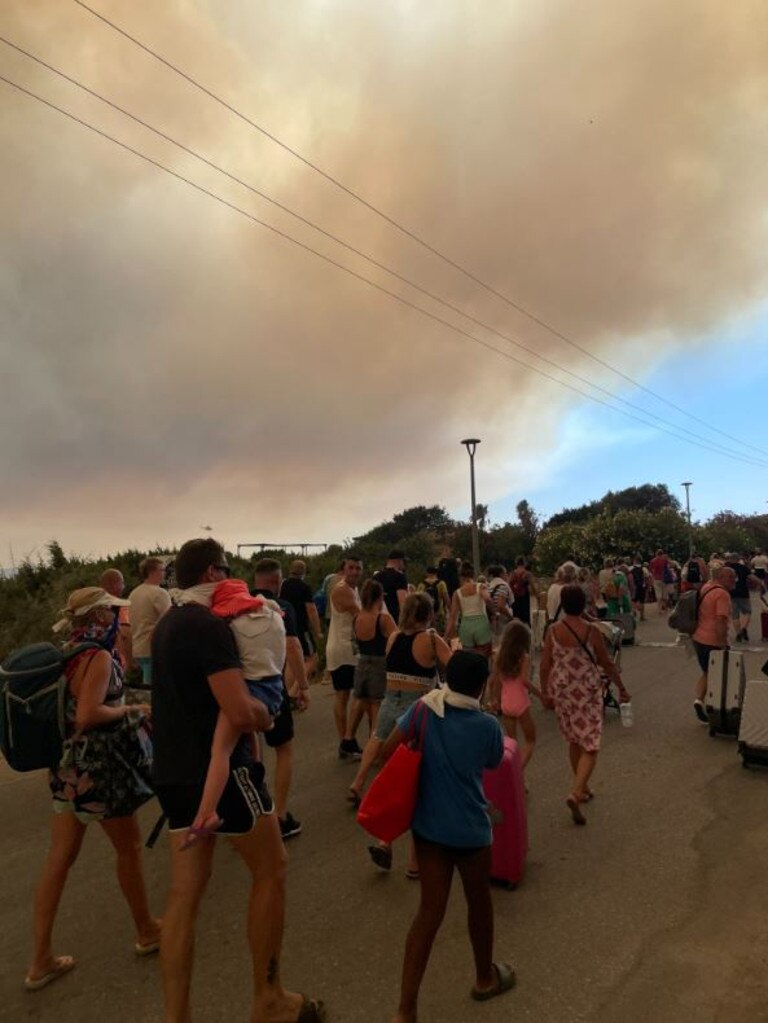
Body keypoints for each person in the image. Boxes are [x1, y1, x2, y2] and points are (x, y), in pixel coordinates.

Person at [151, 538, 324, 1023]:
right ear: (210, 572)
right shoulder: (206, 628)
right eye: (226, 570)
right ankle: (268, 997)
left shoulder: (169, 623)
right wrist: (267, 715)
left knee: (184, 896)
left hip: (174, 772)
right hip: (224, 775)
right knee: (272, 869)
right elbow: (237, 708)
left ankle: (176, 1015)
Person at [27, 587, 158, 991]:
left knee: (59, 858)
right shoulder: (97, 656)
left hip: (67, 766)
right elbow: (89, 713)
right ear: (99, 616)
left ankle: (40, 960)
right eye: (112, 614)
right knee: (129, 848)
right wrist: (133, 709)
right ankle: (146, 930)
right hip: (98, 769)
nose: (118, 620)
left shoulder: (67, 651)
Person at [388, 651, 514, 1023]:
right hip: (471, 831)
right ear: (479, 685)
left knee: (429, 913)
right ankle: (484, 978)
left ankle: (405, 1009)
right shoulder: (487, 725)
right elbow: (493, 762)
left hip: (428, 829)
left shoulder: (425, 710)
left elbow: (390, 746)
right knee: (479, 905)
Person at [349, 593, 451, 873]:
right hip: (416, 711)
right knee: (419, 781)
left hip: (388, 704)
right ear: (429, 614)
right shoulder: (430, 639)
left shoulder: (393, 638)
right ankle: (415, 860)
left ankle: (385, 840)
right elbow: (455, 667)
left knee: (394, 775)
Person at [180, 578, 286, 849]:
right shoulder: (274, 614)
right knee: (249, 738)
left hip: (248, 689)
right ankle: (255, 776)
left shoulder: (230, 627)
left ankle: (207, 813)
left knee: (221, 750)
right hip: (274, 688)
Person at [540, 583, 625, 825]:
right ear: (584, 604)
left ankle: (583, 785)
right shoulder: (591, 631)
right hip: (587, 691)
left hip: (563, 691)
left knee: (574, 739)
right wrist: (621, 688)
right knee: (591, 743)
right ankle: (576, 792)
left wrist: (546, 692)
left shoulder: (553, 631)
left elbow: (545, 664)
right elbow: (607, 663)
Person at [252, 558, 310, 841]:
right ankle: (281, 815)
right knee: (284, 749)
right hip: (273, 688)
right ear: (277, 582)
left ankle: (248, 809)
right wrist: (304, 685)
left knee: (248, 749)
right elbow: (293, 646)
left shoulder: (235, 605)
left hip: (239, 691)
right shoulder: (282, 608)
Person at [327, 555, 365, 759]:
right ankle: (346, 741)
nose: (355, 572)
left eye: (358, 568)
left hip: (350, 648)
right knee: (345, 695)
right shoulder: (342, 590)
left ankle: (348, 740)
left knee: (356, 695)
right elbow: (361, 616)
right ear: (344, 569)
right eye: (351, 568)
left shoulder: (354, 589)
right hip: (342, 649)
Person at [488, 620, 539, 769]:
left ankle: (513, 776)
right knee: (530, 740)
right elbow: (524, 680)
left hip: (505, 704)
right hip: (520, 702)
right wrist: (540, 694)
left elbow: (493, 682)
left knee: (512, 744)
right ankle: (518, 771)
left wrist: (494, 699)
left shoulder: (499, 656)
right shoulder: (524, 657)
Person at [351, 579, 398, 738]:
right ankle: (376, 741)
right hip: (380, 663)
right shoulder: (383, 618)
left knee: (363, 701)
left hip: (362, 662)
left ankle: (349, 738)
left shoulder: (356, 618)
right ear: (380, 597)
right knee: (377, 704)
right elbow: (397, 639)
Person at [691, 565, 736, 724]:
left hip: (698, 637)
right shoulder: (722, 594)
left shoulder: (707, 587)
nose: (734, 581)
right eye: (731, 577)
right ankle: (714, 707)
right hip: (713, 640)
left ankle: (698, 701)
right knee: (717, 675)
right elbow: (721, 620)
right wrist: (723, 644)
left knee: (707, 672)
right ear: (721, 577)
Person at [128, 556, 171, 686]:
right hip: (154, 649)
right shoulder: (159, 593)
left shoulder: (134, 593)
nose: (165, 573)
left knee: (147, 688)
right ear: (153, 572)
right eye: (162, 570)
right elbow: (169, 620)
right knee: (155, 691)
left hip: (138, 648)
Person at [280, 559, 322, 686]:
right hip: (301, 628)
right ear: (304, 572)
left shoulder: (282, 585)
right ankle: (297, 687)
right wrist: (318, 631)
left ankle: (289, 691)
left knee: (290, 661)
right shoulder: (304, 587)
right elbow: (311, 610)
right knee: (312, 658)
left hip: (284, 627)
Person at [445, 562, 494, 657]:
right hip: (481, 625)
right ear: (473, 575)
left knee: (469, 657)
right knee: (484, 658)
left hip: (466, 627)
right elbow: (488, 599)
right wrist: (495, 613)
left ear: (460, 576)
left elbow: (453, 617)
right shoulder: (481, 586)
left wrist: (446, 636)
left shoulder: (457, 593)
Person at [99, 567, 132, 668]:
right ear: (115, 585)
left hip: (96, 660)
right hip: (115, 662)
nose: (123, 586)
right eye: (122, 583)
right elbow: (125, 634)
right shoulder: (122, 606)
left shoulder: (93, 607)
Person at [725, 552, 760, 643]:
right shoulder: (743, 568)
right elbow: (752, 578)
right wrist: (760, 583)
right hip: (743, 593)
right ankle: (744, 628)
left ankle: (738, 633)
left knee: (735, 615)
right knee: (747, 612)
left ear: (730, 559)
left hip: (730, 593)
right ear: (738, 559)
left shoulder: (726, 569)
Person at [374, 550, 409, 621]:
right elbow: (403, 603)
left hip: (377, 618)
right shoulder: (399, 577)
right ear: (399, 561)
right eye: (403, 562)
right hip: (393, 619)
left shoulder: (376, 577)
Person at [487, 565, 514, 652]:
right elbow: (500, 606)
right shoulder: (503, 586)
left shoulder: (489, 586)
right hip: (502, 620)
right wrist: (511, 617)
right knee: (503, 646)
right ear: (501, 574)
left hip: (491, 618)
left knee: (494, 646)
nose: (507, 576)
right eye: (506, 573)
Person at [417, 567, 450, 633]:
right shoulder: (441, 583)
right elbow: (446, 598)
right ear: (436, 573)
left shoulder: (421, 584)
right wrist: (450, 610)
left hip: (426, 615)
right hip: (439, 614)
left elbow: (418, 600)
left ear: (427, 573)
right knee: (439, 635)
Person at [509, 556, 537, 626]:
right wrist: (537, 595)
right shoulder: (527, 573)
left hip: (514, 597)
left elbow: (509, 585)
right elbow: (532, 585)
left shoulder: (513, 573)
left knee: (516, 616)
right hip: (524, 597)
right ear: (524, 563)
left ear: (516, 563)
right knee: (525, 617)